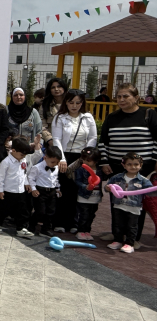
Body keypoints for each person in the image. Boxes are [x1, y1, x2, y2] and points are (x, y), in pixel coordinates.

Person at [98, 83, 157, 248]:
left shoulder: (148, 114)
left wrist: (154, 162)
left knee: (136, 203)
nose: (121, 99)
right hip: (117, 167)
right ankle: (117, 234)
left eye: (126, 96)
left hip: (141, 168)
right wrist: (105, 162)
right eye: (119, 96)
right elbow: (103, 142)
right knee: (116, 201)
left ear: (136, 97)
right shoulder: (112, 117)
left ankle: (133, 238)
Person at [50, 89, 97, 231]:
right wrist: (61, 159)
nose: (74, 106)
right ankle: (59, 222)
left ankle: (73, 223)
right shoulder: (60, 117)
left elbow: (93, 137)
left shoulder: (88, 117)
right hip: (65, 156)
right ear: (66, 102)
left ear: (82, 103)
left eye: (78, 103)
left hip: (82, 157)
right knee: (63, 189)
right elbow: (57, 139)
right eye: (71, 102)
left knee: (78, 190)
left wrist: (86, 156)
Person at [0, 135, 40, 237]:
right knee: (3, 209)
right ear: (13, 151)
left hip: (20, 191)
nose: (23, 157)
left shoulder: (23, 160)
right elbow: (1, 177)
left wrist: (26, 183)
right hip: (8, 190)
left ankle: (21, 228)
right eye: (22, 155)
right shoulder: (6, 162)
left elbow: (23, 173)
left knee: (22, 211)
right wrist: (0, 190)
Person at [107, 152, 151, 253]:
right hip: (119, 205)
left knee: (132, 226)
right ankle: (117, 240)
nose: (133, 167)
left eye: (136, 164)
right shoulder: (117, 177)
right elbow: (108, 186)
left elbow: (150, 191)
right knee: (118, 224)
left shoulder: (143, 180)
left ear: (141, 165)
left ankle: (129, 243)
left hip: (134, 207)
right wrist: (108, 187)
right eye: (129, 164)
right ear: (124, 165)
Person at [27, 145, 62, 237]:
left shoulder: (56, 168)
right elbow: (31, 178)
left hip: (52, 191)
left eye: (57, 162)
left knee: (51, 211)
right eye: (53, 162)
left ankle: (46, 229)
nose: (55, 164)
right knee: (40, 211)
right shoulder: (37, 167)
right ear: (45, 158)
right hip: (40, 191)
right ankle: (31, 226)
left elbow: (55, 179)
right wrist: (33, 189)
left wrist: (57, 189)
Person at [73, 147, 104, 238]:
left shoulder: (99, 170)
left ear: (96, 161)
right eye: (84, 160)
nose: (85, 162)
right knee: (84, 215)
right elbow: (77, 181)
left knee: (91, 215)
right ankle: (80, 231)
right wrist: (85, 186)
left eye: (89, 160)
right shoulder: (81, 169)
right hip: (84, 197)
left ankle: (87, 231)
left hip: (95, 197)